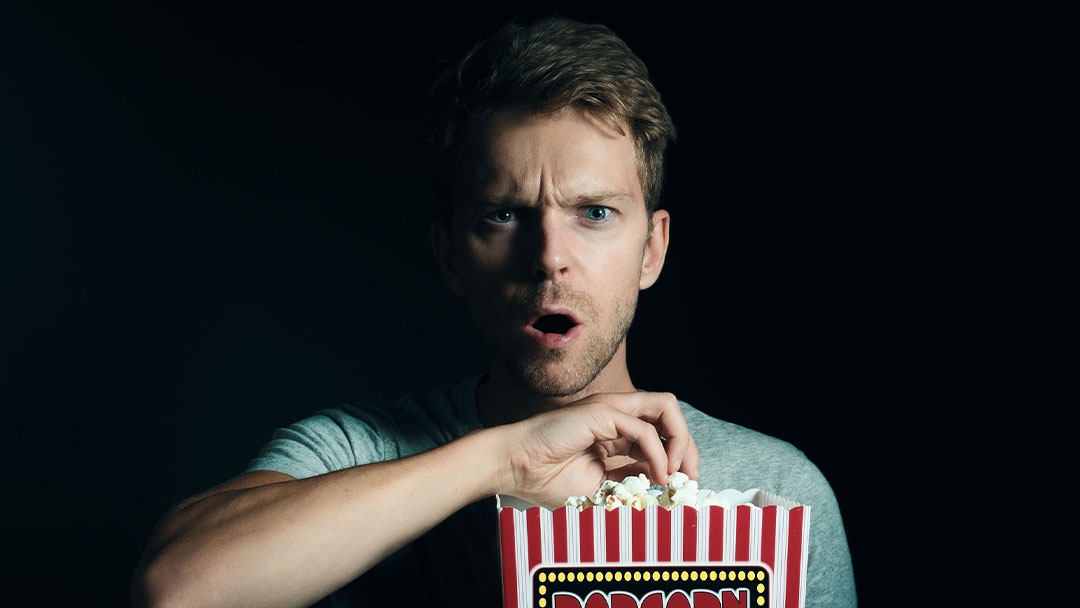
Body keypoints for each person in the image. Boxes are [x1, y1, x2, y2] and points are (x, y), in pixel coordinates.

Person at [131, 17, 856, 608]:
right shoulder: (359, 454)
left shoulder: (778, 495)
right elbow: (178, 589)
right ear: (451, 256)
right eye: (505, 215)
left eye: (594, 213)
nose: (548, 257)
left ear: (652, 250)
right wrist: (506, 457)